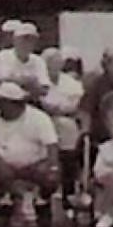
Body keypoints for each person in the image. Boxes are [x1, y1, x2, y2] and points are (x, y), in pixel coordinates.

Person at [0, 82, 61, 227]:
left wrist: (53, 167)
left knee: (50, 175)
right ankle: (4, 200)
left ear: (15, 103)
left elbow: (52, 145)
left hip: (34, 164)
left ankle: (42, 201)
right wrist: (0, 164)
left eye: (2, 102)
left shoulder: (38, 118)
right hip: (4, 165)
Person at [40, 48, 86, 208]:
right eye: (50, 62)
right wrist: (56, 107)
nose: (53, 65)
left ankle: (69, 193)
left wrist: (58, 108)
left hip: (66, 121)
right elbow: (41, 102)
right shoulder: (39, 82)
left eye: (57, 62)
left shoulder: (71, 83)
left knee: (68, 128)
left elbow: (75, 103)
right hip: (43, 120)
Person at [0, 22, 52, 101]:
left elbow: (45, 90)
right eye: (22, 39)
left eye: (31, 40)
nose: (26, 43)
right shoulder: (3, 56)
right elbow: (3, 81)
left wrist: (20, 82)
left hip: (32, 101)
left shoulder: (39, 61)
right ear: (14, 41)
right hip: (7, 101)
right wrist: (29, 83)